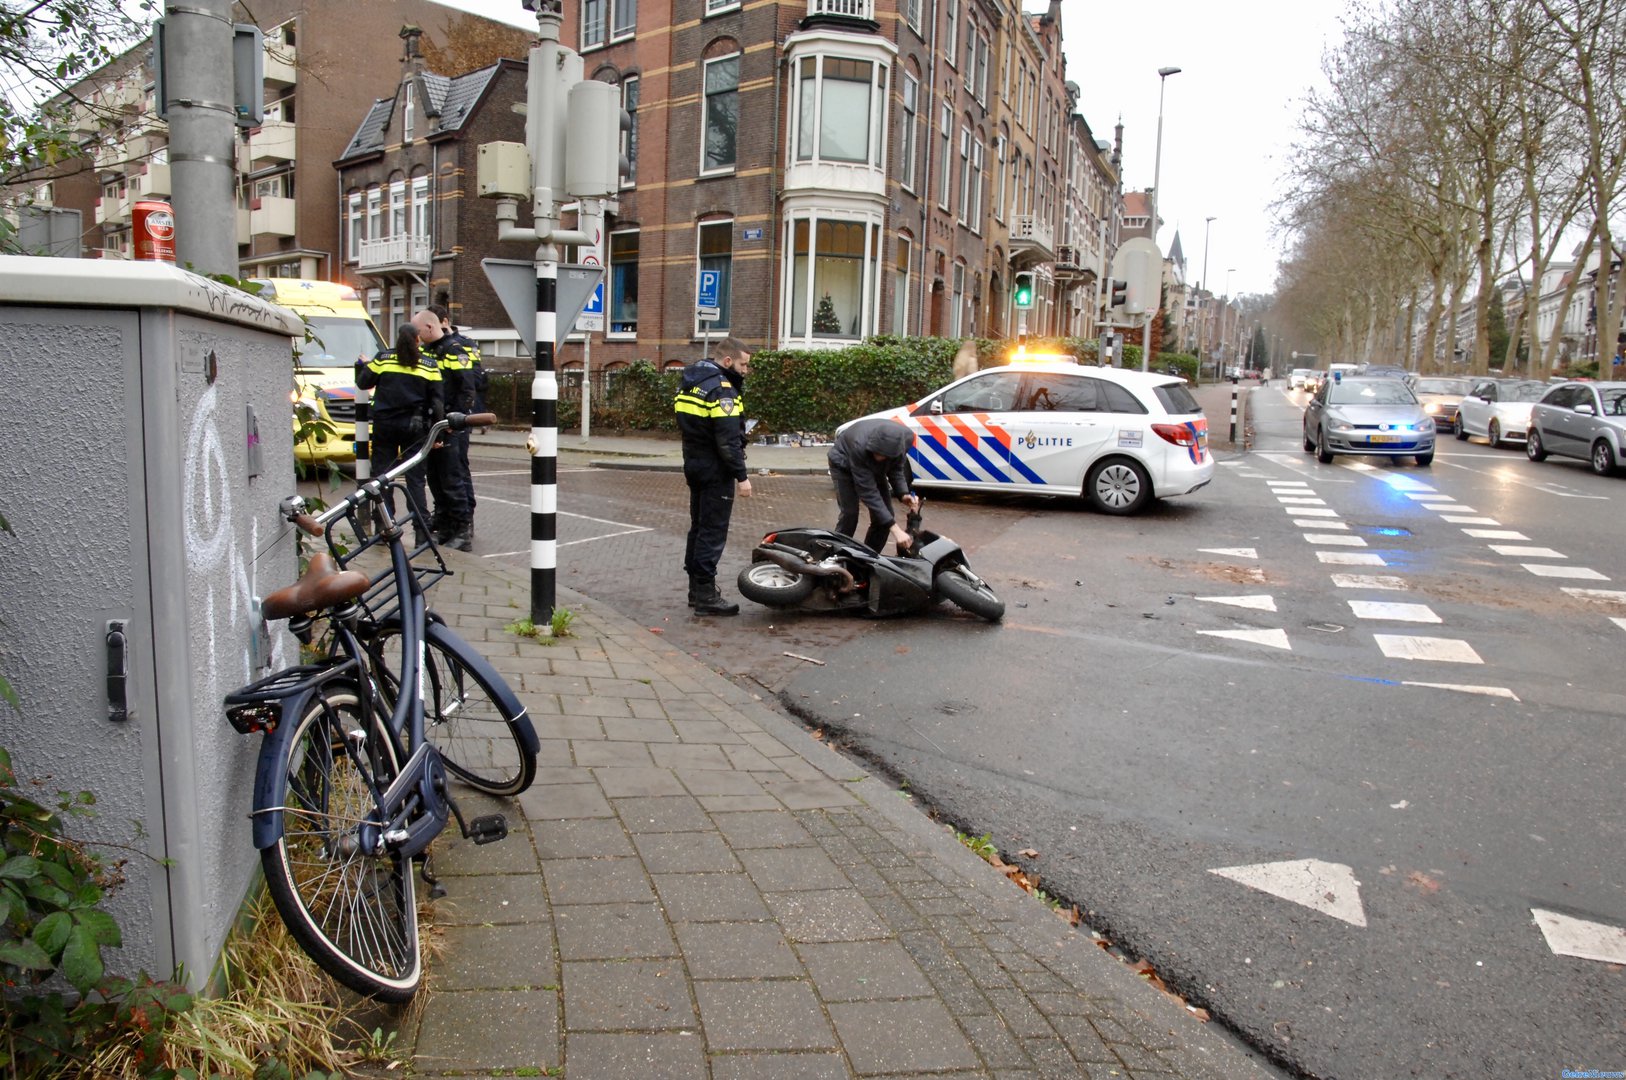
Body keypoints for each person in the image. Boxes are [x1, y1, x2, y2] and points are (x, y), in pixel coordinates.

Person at [674, 337, 753, 615]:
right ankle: (706, 597)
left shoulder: (691, 381)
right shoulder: (722, 390)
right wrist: (742, 477)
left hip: (693, 462)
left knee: (698, 527)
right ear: (728, 361)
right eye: (743, 365)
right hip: (715, 469)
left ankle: (696, 591)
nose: (745, 371)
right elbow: (728, 441)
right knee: (712, 531)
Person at [356, 322, 443, 546]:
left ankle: (384, 528)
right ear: (417, 340)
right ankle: (421, 533)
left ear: (398, 338)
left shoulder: (383, 358)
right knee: (416, 480)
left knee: (382, 477)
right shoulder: (429, 364)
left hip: (385, 425)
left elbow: (363, 383)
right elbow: (437, 402)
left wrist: (367, 365)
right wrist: (438, 435)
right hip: (415, 427)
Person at [419, 305, 481, 551]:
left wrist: (457, 420)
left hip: (451, 424)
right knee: (435, 476)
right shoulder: (426, 351)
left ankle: (462, 529)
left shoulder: (455, 349)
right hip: (433, 424)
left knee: (453, 476)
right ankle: (445, 524)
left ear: (430, 326)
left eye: (418, 331)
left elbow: (467, 388)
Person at [828, 418, 919, 553]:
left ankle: (868, 557)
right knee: (850, 515)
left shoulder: (906, 439)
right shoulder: (859, 446)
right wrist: (896, 530)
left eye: (881, 455)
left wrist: (903, 494)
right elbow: (868, 493)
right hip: (843, 464)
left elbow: (896, 468)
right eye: (875, 453)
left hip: (871, 466)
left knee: (884, 518)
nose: (877, 457)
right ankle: (834, 555)